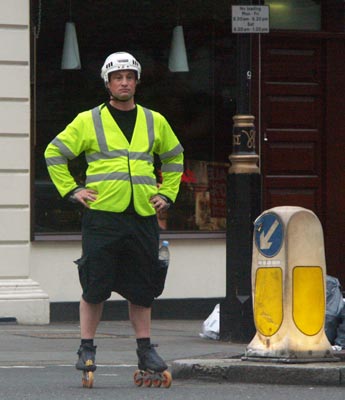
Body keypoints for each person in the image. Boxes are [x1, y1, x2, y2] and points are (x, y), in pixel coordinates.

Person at [44, 52, 184, 375]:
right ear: (107, 83)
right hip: (103, 216)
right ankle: (86, 348)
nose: (124, 82)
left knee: (143, 286)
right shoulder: (88, 120)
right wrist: (72, 190)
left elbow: (175, 157)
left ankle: (145, 350)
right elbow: (54, 153)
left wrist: (167, 193)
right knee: (95, 284)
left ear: (137, 82)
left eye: (129, 77)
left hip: (142, 215)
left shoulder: (154, 120)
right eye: (117, 77)